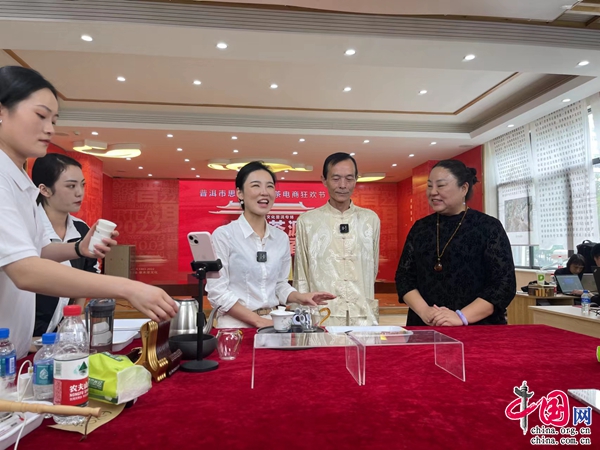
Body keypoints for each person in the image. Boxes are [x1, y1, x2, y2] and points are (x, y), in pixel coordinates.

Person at [0, 66, 177, 358]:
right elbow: (24, 270)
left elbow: (35, 252)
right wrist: (128, 288)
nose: (50, 129)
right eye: (41, 115)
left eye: (54, 120)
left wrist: (78, 249)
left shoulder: (18, 181)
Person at [206, 161, 335, 328]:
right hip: (235, 328)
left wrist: (300, 297)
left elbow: (279, 285)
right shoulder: (224, 235)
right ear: (240, 193)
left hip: (273, 324)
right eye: (256, 186)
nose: (264, 192)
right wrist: (259, 321)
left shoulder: (281, 238)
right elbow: (217, 293)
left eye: (270, 186)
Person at [395, 159, 516, 326]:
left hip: (477, 327)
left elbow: (503, 284)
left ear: (464, 188)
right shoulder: (420, 228)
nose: (433, 192)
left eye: (441, 185)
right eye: (429, 186)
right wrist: (425, 312)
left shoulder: (488, 227)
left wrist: (461, 317)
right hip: (426, 324)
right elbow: (404, 277)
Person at [293, 152, 380, 326]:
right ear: (324, 180)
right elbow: (301, 274)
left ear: (356, 179)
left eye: (349, 178)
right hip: (323, 315)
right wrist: (301, 317)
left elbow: (373, 268)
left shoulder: (370, 220)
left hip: (362, 314)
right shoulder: (307, 222)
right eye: (336, 178)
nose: (343, 185)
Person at [31, 153, 99, 336]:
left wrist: (75, 318)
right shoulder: (26, 226)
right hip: (21, 336)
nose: (80, 192)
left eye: (82, 185)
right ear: (44, 190)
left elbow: (87, 275)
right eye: (71, 186)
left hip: (61, 334)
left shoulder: (81, 229)